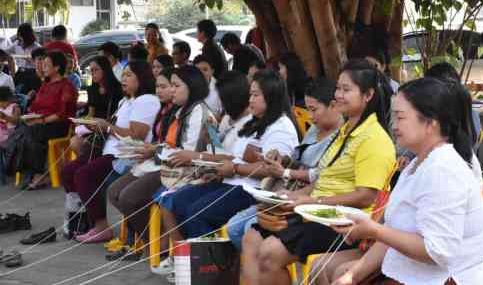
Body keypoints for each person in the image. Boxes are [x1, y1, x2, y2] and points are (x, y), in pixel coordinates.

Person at [241, 60, 396, 285]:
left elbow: (366, 197)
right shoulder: (344, 131)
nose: (339, 95)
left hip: (344, 221)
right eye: (338, 88)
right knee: (251, 237)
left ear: (368, 95)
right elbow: (325, 178)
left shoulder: (374, 139)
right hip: (318, 211)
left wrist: (313, 201)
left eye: (347, 89)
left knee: (270, 252)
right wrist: (294, 196)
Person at [330, 77, 483, 285]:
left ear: (430, 123)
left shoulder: (442, 170)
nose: (394, 126)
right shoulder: (418, 165)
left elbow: (437, 252)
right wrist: (353, 275)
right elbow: (395, 232)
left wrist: (373, 229)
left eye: (400, 117)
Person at [155, 69, 299, 272]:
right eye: (250, 94)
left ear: (272, 96)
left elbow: (271, 170)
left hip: (252, 190)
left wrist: (235, 168)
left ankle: (212, 271)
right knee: (177, 201)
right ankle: (189, 265)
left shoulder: (280, 127)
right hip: (231, 181)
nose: (250, 100)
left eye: (256, 94)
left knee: (197, 212)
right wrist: (218, 169)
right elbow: (234, 156)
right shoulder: (255, 121)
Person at [227, 78, 344, 249]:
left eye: (314, 110)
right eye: (308, 110)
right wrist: (283, 160)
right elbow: (300, 161)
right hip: (286, 192)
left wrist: (284, 173)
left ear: (333, 106)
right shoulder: (314, 129)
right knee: (235, 227)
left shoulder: (341, 138)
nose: (310, 117)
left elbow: (319, 176)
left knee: (248, 229)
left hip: (309, 198)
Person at [61, 60, 160, 243]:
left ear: (142, 78)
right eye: (123, 74)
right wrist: (95, 126)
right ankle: (79, 220)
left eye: (129, 74)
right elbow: (114, 126)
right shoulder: (126, 100)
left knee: (85, 175)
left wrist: (107, 127)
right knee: (68, 171)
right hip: (109, 150)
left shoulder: (146, 100)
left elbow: (136, 136)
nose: (124, 78)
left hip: (124, 154)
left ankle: (101, 227)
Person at [107, 67, 177, 245]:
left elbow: (180, 147)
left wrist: (153, 150)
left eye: (166, 86)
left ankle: (156, 242)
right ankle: (148, 239)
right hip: (154, 160)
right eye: (157, 86)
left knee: (129, 197)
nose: (159, 91)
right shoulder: (164, 110)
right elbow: (160, 140)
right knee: (114, 192)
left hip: (172, 166)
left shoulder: (187, 112)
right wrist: (149, 149)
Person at [6, 51, 78, 189]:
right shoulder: (46, 84)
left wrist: (41, 121)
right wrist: (31, 117)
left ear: (56, 68)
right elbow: (36, 106)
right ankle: (32, 172)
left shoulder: (66, 86)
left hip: (59, 125)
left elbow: (62, 114)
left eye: (46, 65)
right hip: (40, 122)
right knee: (23, 130)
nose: (42, 68)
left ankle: (36, 174)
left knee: (30, 132)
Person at [70, 56, 123, 155]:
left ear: (105, 70)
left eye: (96, 70)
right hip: (93, 126)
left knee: (80, 143)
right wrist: (82, 121)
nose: (93, 73)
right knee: (74, 141)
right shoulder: (92, 89)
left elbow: (117, 115)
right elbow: (91, 112)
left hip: (109, 127)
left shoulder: (117, 89)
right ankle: (86, 164)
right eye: (91, 70)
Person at [6, 23, 41, 94]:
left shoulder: (36, 47)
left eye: (22, 36)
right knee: (16, 93)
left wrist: (31, 60)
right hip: (20, 73)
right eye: (19, 36)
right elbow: (5, 52)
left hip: (32, 74)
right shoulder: (16, 44)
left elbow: (42, 63)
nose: (20, 38)